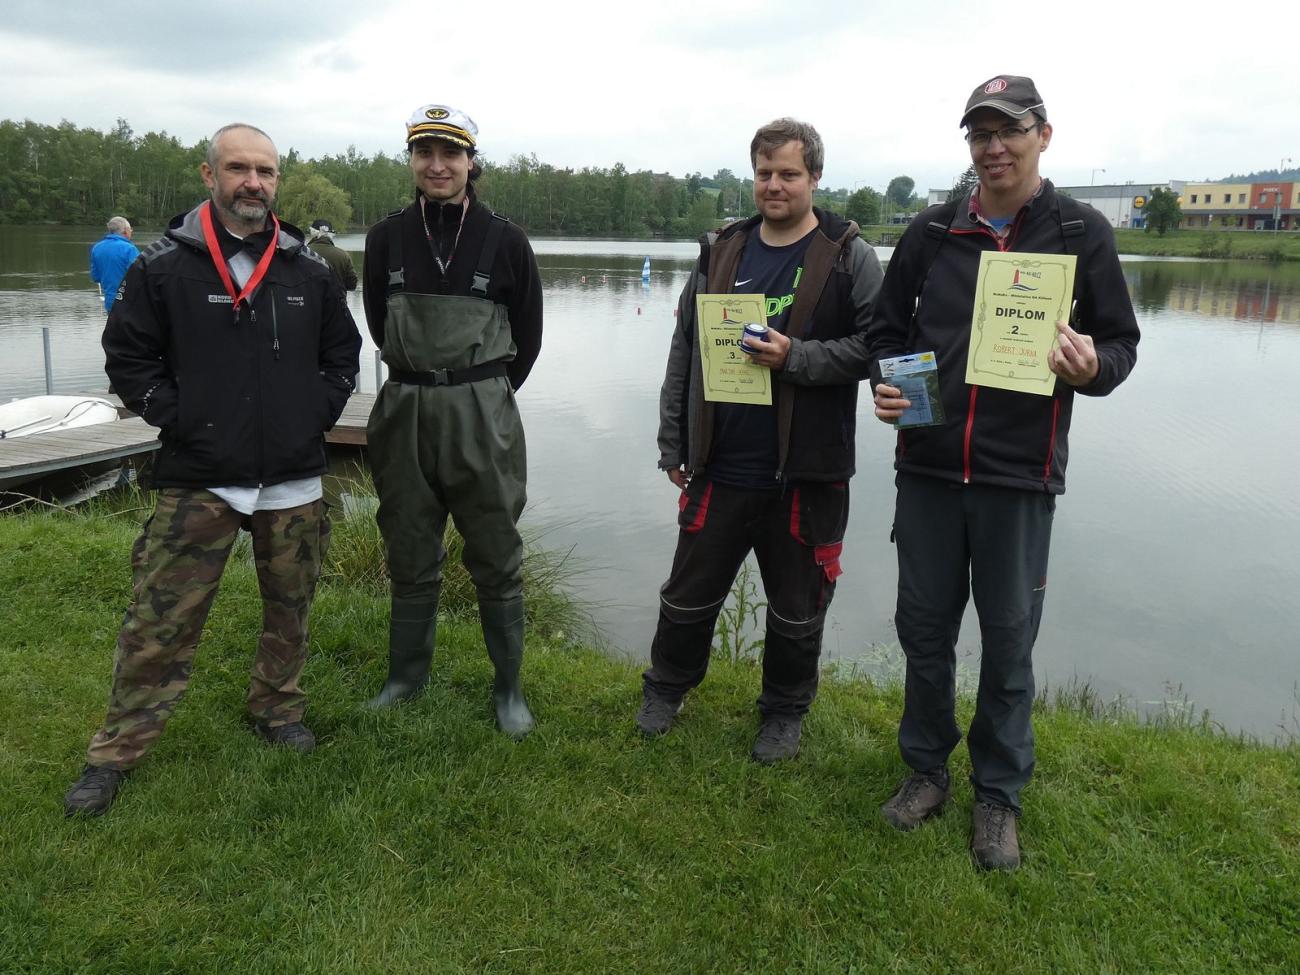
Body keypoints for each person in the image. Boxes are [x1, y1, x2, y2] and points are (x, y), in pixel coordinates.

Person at [867, 75, 1140, 870]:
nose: (993, 148)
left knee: (1010, 640)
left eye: (1009, 131)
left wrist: (1092, 367)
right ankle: (927, 770)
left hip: (1019, 476)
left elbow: (1120, 344)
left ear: (1042, 135)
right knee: (924, 632)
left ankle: (998, 795)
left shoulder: (1080, 232)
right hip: (927, 467)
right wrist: (890, 386)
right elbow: (885, 330)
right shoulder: (931, 232)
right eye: (980, 134)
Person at [63, 123, 362, 817]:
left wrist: (312, 414)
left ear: (277, 180)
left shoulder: (307, 270)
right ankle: (116, 751)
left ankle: (276, 707)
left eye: (266, 170)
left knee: (290, 608)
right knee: (159, 618)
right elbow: (128, 358)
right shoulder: (163, 266)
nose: (253, 182)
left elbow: (342, 357)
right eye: (238, 168)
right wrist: (179, 417)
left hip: (292, 474)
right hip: (198, 474)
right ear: (209, 174)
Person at [638, 118, 883, 763]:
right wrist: (673, 440)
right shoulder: (721, 249)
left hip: (807, 469)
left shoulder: (848, 253)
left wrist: (794, 356)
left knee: (798, 607)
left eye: (789, 174)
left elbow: (877, 346)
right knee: (687, 594)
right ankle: (666, 688)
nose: (775, 185)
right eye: (764, 173)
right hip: (720, 461)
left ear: (815, 178)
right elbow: (685, 348)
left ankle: (783, 712)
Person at [361, 104, 542, 738]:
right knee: (408, 544)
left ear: (471, 162)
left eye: (450, 153)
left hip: (481, 412)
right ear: (412, 160)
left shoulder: (507, 240)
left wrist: (482, 393)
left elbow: (528, 338)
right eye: (424, 153)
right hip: (404, 407)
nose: (437, 165)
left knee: (496, 549)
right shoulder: (385, 238)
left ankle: (509, 688)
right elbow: (377, 320)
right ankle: (405, 677)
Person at [89, 215, 140, 311]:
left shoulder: (97, 248)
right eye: (130, 229)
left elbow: (95, 277)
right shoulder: (129, 249)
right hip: (130, 303)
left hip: (110, 303)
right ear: (125, 230)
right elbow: (140, 277)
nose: (131, 231)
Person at [307, 219, 358, 290]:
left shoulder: (302, 252)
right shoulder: (343, 255)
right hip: (337, 297)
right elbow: (352, 285)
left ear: (312, 232)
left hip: (308, 296)